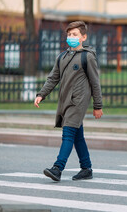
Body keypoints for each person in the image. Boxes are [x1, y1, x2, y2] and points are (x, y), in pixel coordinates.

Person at [34, 21, 103, 182]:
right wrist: (41, 94)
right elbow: (53, 78)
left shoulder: (88, 57)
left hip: (78, 102)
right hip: (65, 102)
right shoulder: (62, 57)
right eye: (69, 34)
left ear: (83, 37)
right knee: (78, 136)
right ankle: (86, 168)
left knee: (68, 134)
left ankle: (58, 168)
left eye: (75, 34)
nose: (71, 37)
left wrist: (97, 105)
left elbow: (95, 82)